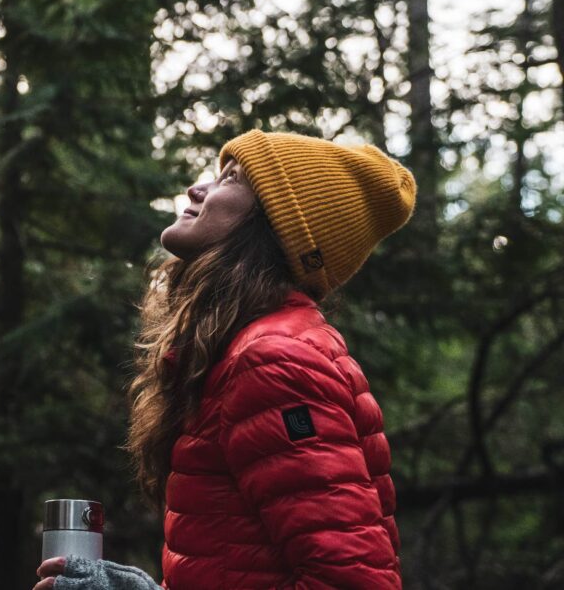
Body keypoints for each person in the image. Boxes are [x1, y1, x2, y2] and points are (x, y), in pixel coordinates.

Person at [34, 129, 414, 589]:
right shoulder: (239, 352)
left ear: (274, 226)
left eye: (232, 179)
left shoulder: (275, 363)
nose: (199, 189)